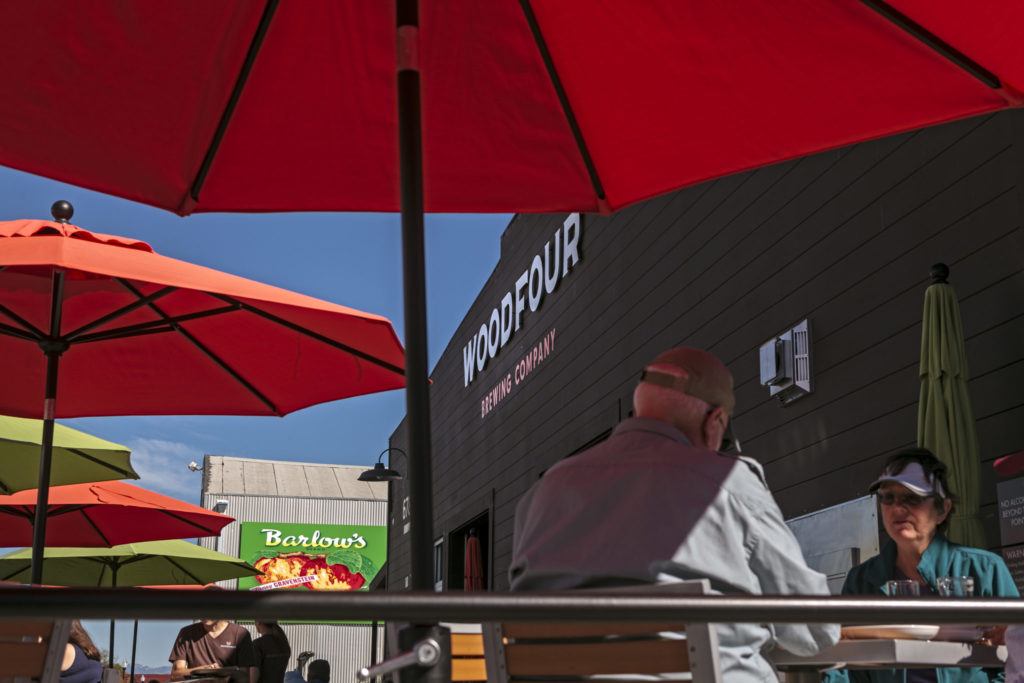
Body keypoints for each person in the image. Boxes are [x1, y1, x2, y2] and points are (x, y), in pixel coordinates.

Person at [509, 346, 839, 682]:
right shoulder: (729, 482)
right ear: (715, 422)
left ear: (638, 411)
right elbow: (814, 630)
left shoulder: (543, 490)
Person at [826, 447, 1020, 683]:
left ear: (943, 509)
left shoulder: (985, 570)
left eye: (912, 498)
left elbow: (1016, 661)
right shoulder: (861, 581)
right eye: (888, 497)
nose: (897, 507)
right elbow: (846, 672)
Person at [169, 618, 258, 682]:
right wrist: (203, 671)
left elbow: (244, 676)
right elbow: (176, 674)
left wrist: (225, 675)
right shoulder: (186, 633)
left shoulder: (240, 633)